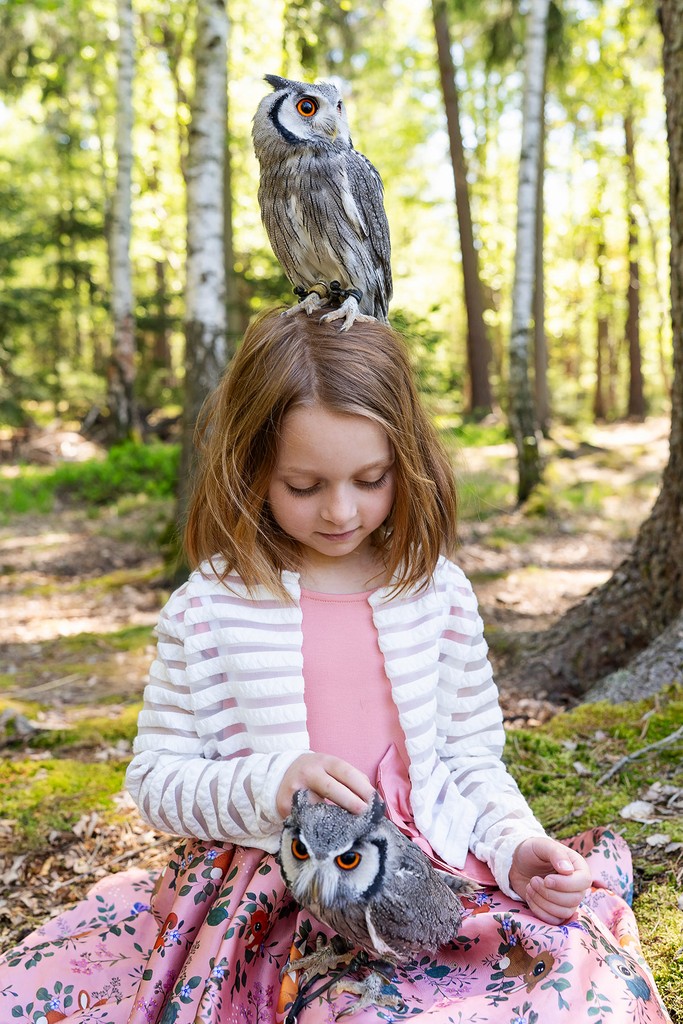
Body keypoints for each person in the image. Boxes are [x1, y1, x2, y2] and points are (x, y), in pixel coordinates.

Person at [0, 307, 671, 1024]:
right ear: (251, 466)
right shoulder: (207, 609)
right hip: (274, 899)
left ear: (405, 462)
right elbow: (155, 780)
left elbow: (470, 760)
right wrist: (271, 784)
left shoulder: (435, 591)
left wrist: (515, 846)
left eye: (370, 478)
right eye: (303, 485)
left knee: (555, 993)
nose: (340, 511)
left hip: (428, 873)